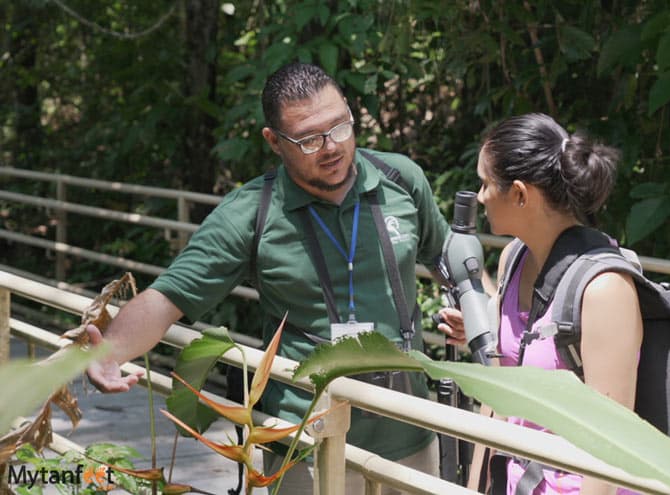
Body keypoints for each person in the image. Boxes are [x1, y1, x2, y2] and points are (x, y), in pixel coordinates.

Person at [85, 62, 465, 494]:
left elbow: (449, 258)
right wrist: (110, 353)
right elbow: (166, 297)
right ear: (274, 142)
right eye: (307, 139)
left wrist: (476, 310)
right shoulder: (252, 213)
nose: (331, 147)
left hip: (410, 432)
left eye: (340, 127)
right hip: (305, 442)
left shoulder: (400, 180)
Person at [469, 113, 643, 495]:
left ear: (518, 194)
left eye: (485, 183)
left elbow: (611, 441)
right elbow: (498, 395)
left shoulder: (604, 289)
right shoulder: (512, 259)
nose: (480, 197)